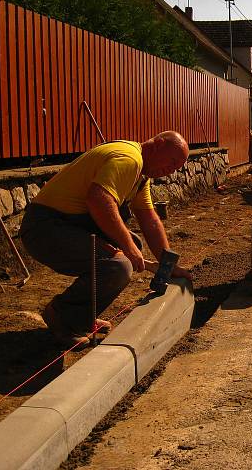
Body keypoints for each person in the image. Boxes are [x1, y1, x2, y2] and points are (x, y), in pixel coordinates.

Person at [20, 131, 192, 348]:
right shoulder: (129, 159)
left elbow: (150, 219)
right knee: (117, 266)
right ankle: (63, 316)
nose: (170, 171)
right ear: (158, 144)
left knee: (131, 246)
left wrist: (168, 264)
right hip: (45, 229)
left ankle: (82, 316)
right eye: (172, 162)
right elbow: (99, 200)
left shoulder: (140, 175)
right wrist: (127, 249)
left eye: (176, 168)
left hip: (67, 224)